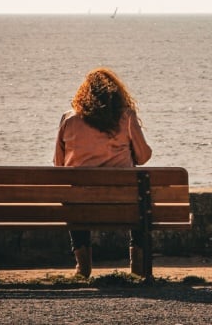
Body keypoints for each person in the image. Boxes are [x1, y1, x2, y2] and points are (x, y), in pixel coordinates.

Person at [53, 67, 152, 278]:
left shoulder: (69, 120)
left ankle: (83, 267)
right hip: (122, 201)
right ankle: (138, 267)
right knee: (141, 201)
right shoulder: (126, 117)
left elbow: (59, 165)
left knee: (75, 196)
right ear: (117, 94)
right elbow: (143, 158)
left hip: (81, 203)